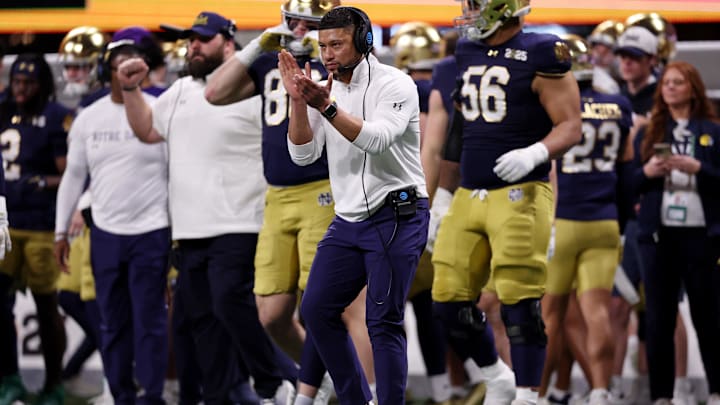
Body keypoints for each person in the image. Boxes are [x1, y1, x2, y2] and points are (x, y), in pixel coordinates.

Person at [116, 11, 298, 404]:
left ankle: (279, 383)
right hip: (189, 229)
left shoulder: (252, 89)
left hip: (240, 220)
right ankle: (226, 397)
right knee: (204, 326)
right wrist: (131, 90)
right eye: (189, 39)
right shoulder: (181, 90)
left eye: (202, 38)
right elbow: (148, 130)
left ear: (229, 43)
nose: (192, 45)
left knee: (229, 301)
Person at [429, 0, 583, 403]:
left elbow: (570, 126)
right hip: (469, 193)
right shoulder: (466, 51)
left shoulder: (543, 50)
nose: (469, 12)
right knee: (447, 302)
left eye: (476, 4)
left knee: (520, 305)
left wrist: (535, 153)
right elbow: (460, 128)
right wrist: (443, 193)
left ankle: (529, 395)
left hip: (521, 193)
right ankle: (497, 375)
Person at [274, 6, 429, 404]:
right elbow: (303, 156)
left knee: (382, 321)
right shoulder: (329, 88)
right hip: (349, 218)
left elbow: (377, 140)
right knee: (317, 309)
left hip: (398, 212)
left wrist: (324, 106)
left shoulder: (396, 84)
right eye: (322, 45)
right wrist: (298, 102)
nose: (327, 54)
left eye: (337, 44)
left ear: (363, 41)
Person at [53, 32, 171, 404]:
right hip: (104, 231)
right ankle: (121, 396)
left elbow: (180, 173)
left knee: (150, 323)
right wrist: (59, 232)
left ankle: (151, 396)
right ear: (108, 69)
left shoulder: (163, 107)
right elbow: (73, 175)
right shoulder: (89, 117)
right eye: (119, 62)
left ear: (145, 67)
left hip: (153, 231)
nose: (125, 68)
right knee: (111, 323)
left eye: (133, 61)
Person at [540, 34, 633, 405]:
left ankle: (538, 393)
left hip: (562, 222)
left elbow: (546, 167)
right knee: (598, 313)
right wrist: (621, 223)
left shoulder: (553, 106)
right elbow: (627, 173)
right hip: (605, 221)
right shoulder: (619, 105)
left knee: (549, 317)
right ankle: (599, 391)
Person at [632, 60, 720, 405]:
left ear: (692, 88)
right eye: (666, 83)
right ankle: (662, 396)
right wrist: (648, 171)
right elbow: (628, 185)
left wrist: (700, 168)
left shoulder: (712, 132)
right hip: (658, 235)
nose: (669, 88)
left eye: (678, 82)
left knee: (708, 316)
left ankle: (715, 390)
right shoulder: (650, 131)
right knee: (658, 320)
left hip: (701, 234)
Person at [0, 53, 73, 405]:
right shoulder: (2, 110)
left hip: (42, 226)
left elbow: (71, 174)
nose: (21, 89)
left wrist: (44, 182)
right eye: (17, 82)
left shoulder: (57, 117)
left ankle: (53, 383)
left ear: (42, 84)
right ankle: (9, 377)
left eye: (28, 83)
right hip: (4, 224)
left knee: (46, 307)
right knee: (0, 307)